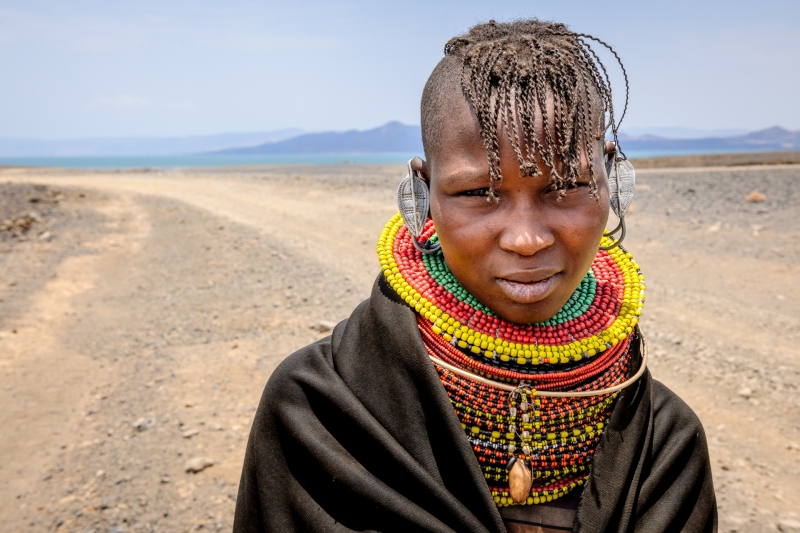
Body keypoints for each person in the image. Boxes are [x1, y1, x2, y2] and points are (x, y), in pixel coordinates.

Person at [233, 19, 717, 533]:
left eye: (567, 186)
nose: (525, 239)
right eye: (477, 193)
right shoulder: (318, 410)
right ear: (423, 193)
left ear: (613, 177)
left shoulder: (665, 445)